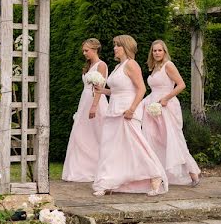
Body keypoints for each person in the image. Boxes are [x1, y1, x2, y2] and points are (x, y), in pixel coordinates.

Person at [92, 35, 167, 196]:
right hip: (113, 110)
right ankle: (108, 181)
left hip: (127, 111)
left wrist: (132, 109)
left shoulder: (131, 65)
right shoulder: (118, 66)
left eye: (117, 45)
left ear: (125, 47)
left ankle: (155, 176)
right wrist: (102, 91)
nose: (114, 48)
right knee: (111, 147)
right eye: (114, 45)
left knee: (136, 145)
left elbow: (141, 89)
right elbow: (117, 90)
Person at [141, 40, 201, 186]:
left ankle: (193, 172)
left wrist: (166, 98)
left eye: (159, 50)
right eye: (154, 51)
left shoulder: (168, 65)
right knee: (154, 139)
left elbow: (181, 85)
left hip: (167, 106)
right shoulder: (154, 67)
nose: (156, 53)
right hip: (153, 107)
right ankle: (158, 174)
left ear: (164, 51)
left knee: (173, 139)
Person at [62, 38, 109, 182]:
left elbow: (100, 88)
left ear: (95, 50)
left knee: (97, 134)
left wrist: (94, 106)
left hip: (96, 101)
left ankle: (97, 168)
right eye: (83, 50)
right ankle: (80, 169)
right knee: (80, 134)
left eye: (86, 50)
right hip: (85, 100)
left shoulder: (101, 65)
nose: (84, 53)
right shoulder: (89, 65)